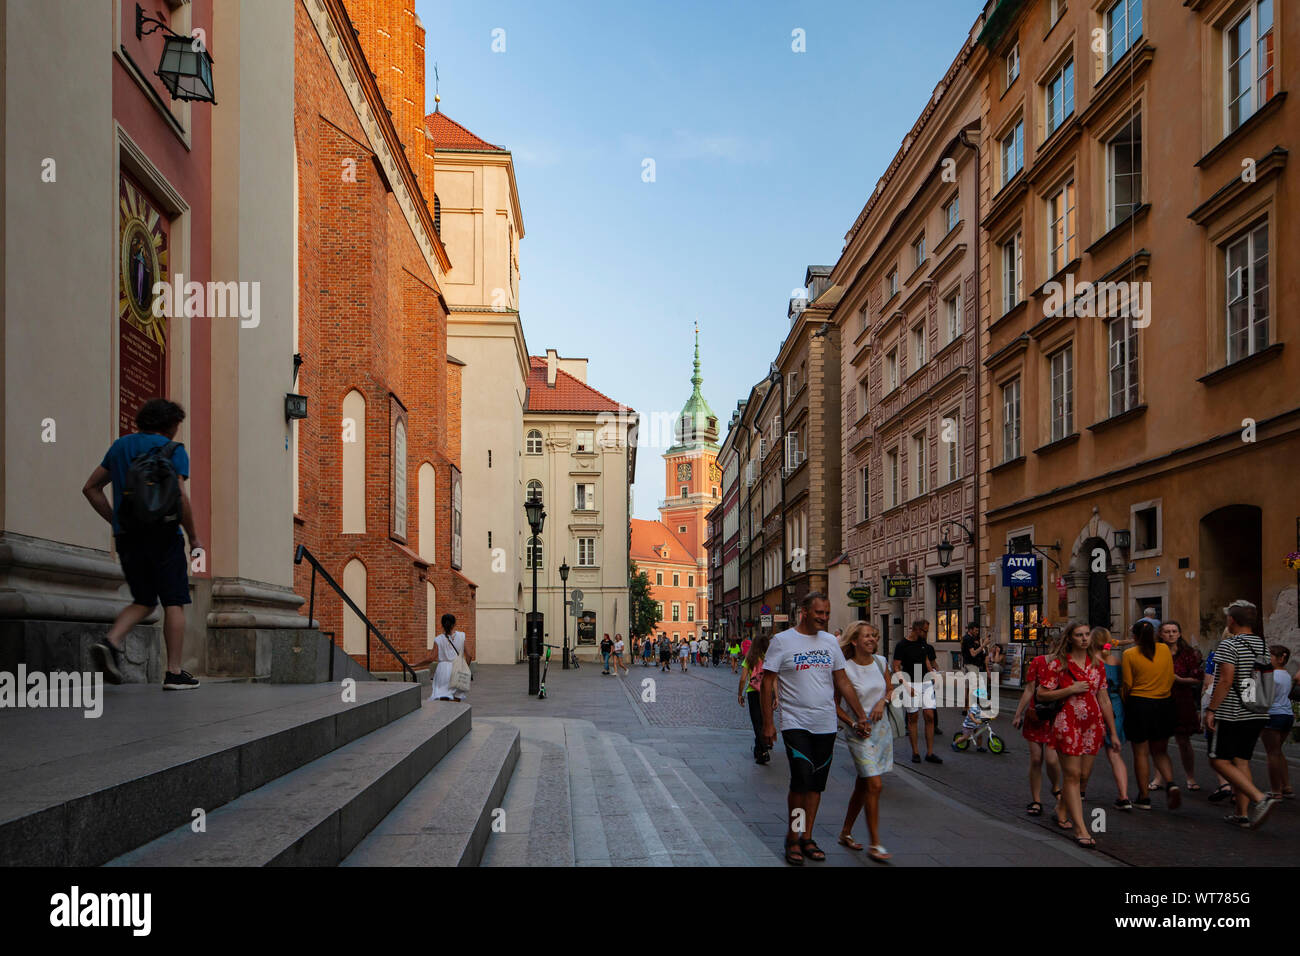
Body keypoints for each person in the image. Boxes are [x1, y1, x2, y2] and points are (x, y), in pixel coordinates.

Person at [85, 398, 203, 691]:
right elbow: (180, 497)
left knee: (144, 599)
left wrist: (115, 520)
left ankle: (111, 641)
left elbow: (91, 489)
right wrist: (193, 537)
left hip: (128, 537)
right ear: (171, 425)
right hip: (165, 537)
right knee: (173, 600)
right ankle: (174, 672)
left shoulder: (120, 447)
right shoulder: (175, 451)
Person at [760, 592, 867, 865]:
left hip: (826, 723)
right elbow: (767, 682)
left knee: (816, 784)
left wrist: (860, 714)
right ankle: (793, 837)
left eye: (827, 613)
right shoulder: (782, 642)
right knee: (801, 778)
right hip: (796, 722)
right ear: (804, 611)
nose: (824, 617)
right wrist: (768, 724)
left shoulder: (831, 642)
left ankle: (807, 837)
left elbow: (842, 681)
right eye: (819, 612)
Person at [1034, 622, 1120, 849]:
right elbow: (1042, 694)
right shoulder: (1058, 664)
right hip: (1067, 722)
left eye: (1086, 635)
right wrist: (1069, 690)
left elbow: (1104, 699)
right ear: (1070, 638)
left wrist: (1113, 731)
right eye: (1079, 635)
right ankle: (1080, 828)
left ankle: (1061, 808)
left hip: (1092, 725)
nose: (1084, 639)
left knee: (1083, 775)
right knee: (1071, 774)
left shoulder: (1097, 665)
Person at [1205, 601, 1278, 829]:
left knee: (1218, 760)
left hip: (1231, 712)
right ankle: (1242, 814)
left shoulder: (1229, 645)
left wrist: (1211, 709)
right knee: (1241, 760)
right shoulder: (1262, 645)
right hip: (1256, 711)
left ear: (1232, 621)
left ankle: (1260, 798)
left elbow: (1226, 680)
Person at [835, 622, 894, 862]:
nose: (872, 639)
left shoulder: (881, 662)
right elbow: (834, 704)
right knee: (875, 785)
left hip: (881, 731)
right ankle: (875, 844)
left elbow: (890, 689)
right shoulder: (845, 669)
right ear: (854, 641)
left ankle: (845, 832)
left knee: (864, 784)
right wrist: (852, 723)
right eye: (867, 636)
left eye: (874, 636)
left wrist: (883, 702)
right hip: (858, 734)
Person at [1121, 620, 1180, 810]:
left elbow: (1128, 684)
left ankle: (1144, 797)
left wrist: (1124, 701)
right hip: (1164, 704)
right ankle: (1171, 783)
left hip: (1140, 704)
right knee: (1160, 750)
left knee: (1141, 753)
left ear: (1135, 637)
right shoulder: (1164, 650)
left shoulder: (1129, 654)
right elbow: (1170, 676)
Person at [1149, 621, 1203, 793]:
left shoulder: (1188, 654)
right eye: (1167, 631)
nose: (1171, 634)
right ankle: (1159, 777)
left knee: (1184, 742)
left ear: (1179, 634)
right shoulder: (1154, 652)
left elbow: (1197, 679)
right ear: (1161, 634)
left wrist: (1178, 679)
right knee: (1159, 742)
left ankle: (1190, 776)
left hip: (1182, 700)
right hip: (1160, 699)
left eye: (1174, 631)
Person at [1011, 645, 1061, 817]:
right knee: (1036, 759)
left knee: (1052, 760)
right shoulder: (1038, 662)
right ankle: (1036, 799)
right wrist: (1018, 713)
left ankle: (1055, 786)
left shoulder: (1069, 665)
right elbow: (1029, 689)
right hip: (1036, 715)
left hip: (1056, 717)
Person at [893, 619, 942, 764]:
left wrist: (932, 673)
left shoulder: (923, 644)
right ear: (916, 629)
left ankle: (930, 753)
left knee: (930, 716)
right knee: (913, 718)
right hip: (910, 682)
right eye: (925, 631)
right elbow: (896, 667)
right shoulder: (902, 645)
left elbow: (926, 659)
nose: (926, 634)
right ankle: (915, 752)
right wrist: (906, 685)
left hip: (926, 682)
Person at [1095, 628, 1132, 810]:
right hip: (1116, 707)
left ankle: (1081, 790)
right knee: (1114, 754)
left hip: (1096, 706)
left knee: (1086, 754)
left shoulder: (1091, 662)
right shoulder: (1116, 661)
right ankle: (1124, 795)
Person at [1201, 638, 1233, 803]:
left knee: (1216, 752)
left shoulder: (1217, 654)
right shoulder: (1255, 652)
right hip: (1243, 711)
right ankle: (1240, 793)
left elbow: (1209, 683)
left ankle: (1225, 785)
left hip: (1221, 708)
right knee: (1238, 755)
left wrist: (1210, 709)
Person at [1262, 645, 1294, 799]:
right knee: (1278, 752)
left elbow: (1265, 697)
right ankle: (1286, 785)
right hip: (1287, 714)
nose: (1268, 658)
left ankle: (1276, 791)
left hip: (1273, 715)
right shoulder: (1286, 675)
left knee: (1272, 754)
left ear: (1281, 658)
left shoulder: (1271, 675)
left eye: (1270, 656)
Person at [738, 632, 773, 764]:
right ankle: (760, 749)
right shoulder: (770, 658)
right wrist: (776, 697)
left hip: (753, 691)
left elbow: (742, 679)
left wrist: (740, 694)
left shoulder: (750, 657)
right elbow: (774, 678)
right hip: (768, 692)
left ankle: (763, 750)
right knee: (765, 720)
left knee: (757, 722)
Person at [430, 613, 470, 701]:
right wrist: (465, 667)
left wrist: (416, 664)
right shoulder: (462, 636)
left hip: (443, 670)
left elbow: (431, 658)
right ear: (455, 624)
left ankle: (445, 714)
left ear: (442, 624)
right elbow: (469, 655)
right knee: (457, 695)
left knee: (443, 695)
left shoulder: (438, 639)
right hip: (457, 668)